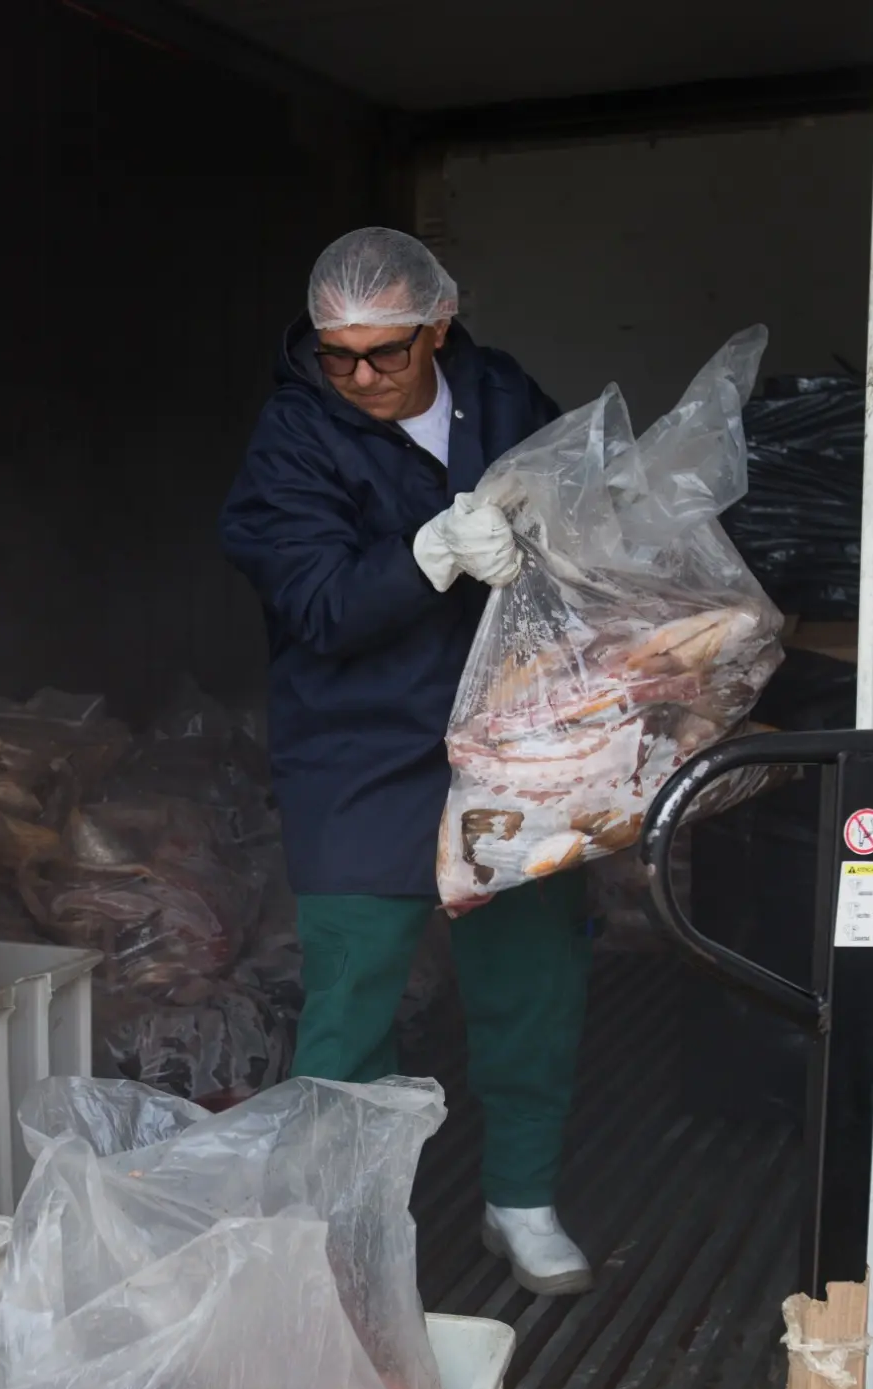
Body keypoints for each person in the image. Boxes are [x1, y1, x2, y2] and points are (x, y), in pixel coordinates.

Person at [217, 227, 594, 1296]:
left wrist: (552, 544)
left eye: (385, 351)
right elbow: (316, 602)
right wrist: (427, 553)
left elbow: (585, 506)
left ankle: (520, 1199)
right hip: (358, 743)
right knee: (351, 994)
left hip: (510, 734)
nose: (360, 376)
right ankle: (349, 1233)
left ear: (439, 324)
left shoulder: (501, 394)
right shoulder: (295, 431)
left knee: (531, 972)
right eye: (337, 355)